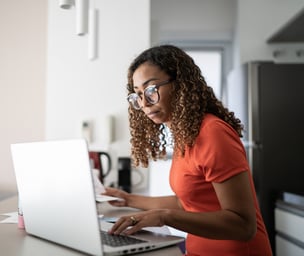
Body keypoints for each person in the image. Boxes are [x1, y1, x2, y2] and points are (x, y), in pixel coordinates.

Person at [104, 45, 272, 255]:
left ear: (180, 85)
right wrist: (127, 199)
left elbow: (244, 226)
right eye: (137, 95)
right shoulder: (186, 134)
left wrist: (163, 216)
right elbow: (187, 203)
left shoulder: (212, 133)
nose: (144, 103)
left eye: (151, 89)